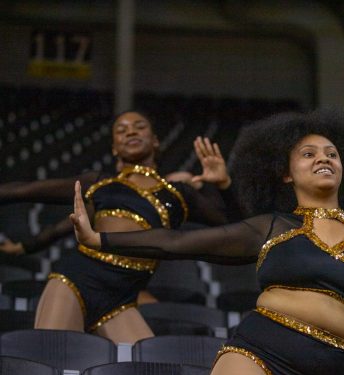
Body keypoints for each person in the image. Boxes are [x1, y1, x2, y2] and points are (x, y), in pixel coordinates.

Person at [72, 109, 344, 375]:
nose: (323, 159)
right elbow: (176, 243)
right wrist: (99, 240)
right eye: (309, 153)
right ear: (285, 173)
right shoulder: (270, 226)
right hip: (259, 357)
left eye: (332, 153)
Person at [0, 110, 230, 343]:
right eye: (121, 130)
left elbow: (232, 226)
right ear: (114, 148)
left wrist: (223, 185)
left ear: (155, 140)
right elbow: (28, 192)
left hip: (121, 299)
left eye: (140, 126)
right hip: (76, 279)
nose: (130, 131)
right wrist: (26, 247)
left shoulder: (180, 193)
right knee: (51, 354)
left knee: (147, 370)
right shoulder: (101, 183)